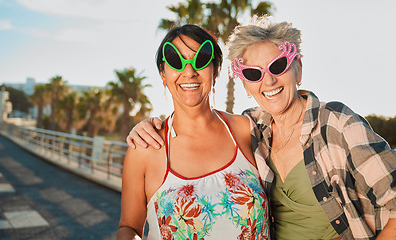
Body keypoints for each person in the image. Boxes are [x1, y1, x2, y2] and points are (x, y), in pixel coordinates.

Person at [126, 16, 396, 240]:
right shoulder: (256, 128)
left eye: (278, 66)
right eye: (254, 73)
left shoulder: (333, 125)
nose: (268, 81)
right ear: (245, 83)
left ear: (298, 69)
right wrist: (147, 125)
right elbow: (130, 227)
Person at [116, 24, 270, 240]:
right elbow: (129, 228)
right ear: (163, 75)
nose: (189, 72)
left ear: (215, 72)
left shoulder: (247, 130)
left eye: (201, 59)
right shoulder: (144, 149)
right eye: (176, 61)